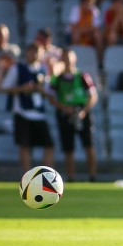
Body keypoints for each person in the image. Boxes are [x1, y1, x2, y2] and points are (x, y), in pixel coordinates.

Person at [0, 43, 54, 172]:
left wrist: (41, 90)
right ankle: (27, 176)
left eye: (37, 52)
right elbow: (4, 87)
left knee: (49, 145)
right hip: (22, 112)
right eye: (31, 51)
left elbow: (49, 92)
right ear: (27, 52)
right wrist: (22, 88)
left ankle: (47, 176)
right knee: (25, 146)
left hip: (39, 113)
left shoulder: (42, 69)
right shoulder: (17, 68)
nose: (34, 54)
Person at [47, 49, 99, 182]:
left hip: (82, 112)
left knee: (89, 145)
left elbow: (93, 96)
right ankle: (71, 177)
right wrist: (64, 108)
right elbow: (51, 98)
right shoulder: (57, 79)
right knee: (68, 147)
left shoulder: (82, 76)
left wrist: (83, 111)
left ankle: (93, 176)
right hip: (65, 113)